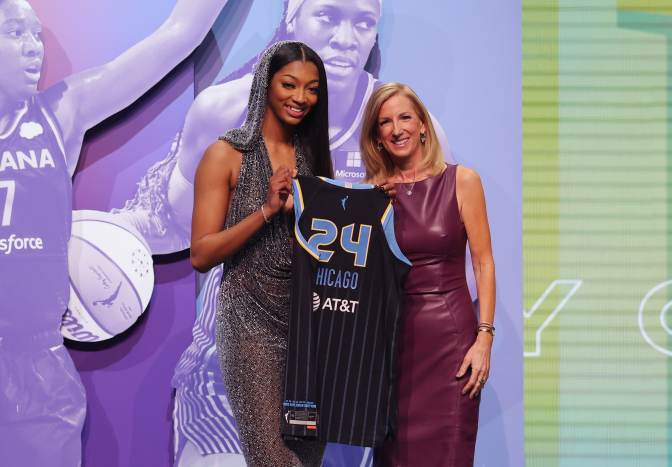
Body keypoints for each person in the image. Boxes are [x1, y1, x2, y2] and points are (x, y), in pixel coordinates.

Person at [109, 1, 447, 465]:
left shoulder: (397, 130)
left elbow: (433, 258)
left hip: (342, 374)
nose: (345, 36)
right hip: (236, 355)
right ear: (292, 17)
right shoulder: (224, 112)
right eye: (327, 16)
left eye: (363, 22)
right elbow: (179, 230)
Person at [0, 1, 226, 466]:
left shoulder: (59, 113)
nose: (32, 49)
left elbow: (178, 36)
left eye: (35, 35)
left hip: (35, 367)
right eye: (13, 33)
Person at [189, 40, 332, 466]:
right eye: (289, 84)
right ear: (265, 85)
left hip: (310, 334)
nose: (300, 98)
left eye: (312, 89)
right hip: (249, 328)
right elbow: (201, 253)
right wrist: (267, 211)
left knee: (306, 461)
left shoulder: (316, 161)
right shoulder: (226, 154)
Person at [360, 83, 496, 467]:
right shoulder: (371, 196)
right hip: (392, 349)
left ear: (422, 125)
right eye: (385, 122)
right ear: (377, 137)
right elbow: (360, 277)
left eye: (405, 117)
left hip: (451, 343)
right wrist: (372, 210)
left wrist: (484, 338)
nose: (396, 128)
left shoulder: (462, 180)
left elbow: (484, 263)